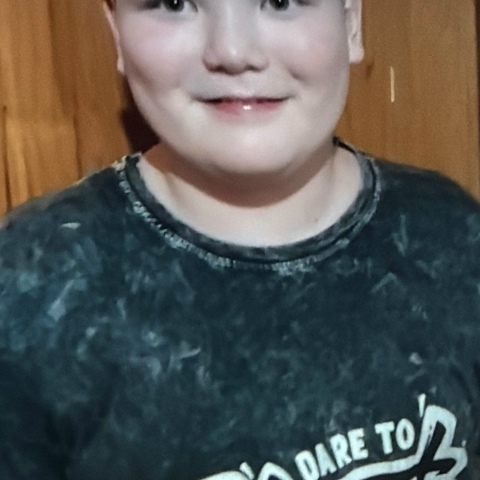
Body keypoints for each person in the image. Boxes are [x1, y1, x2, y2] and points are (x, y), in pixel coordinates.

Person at [0, 0, 479, 478]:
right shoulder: (28, 290)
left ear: (351, 21)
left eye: (280, 1)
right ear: (118, 36)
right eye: (174, 3)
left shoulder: (455, 235)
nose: (233, 52)